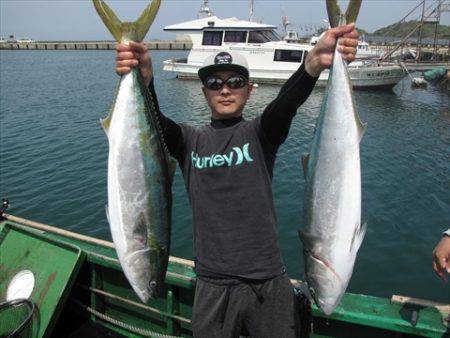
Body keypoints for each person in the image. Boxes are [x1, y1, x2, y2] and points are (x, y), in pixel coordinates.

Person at [115, 24, 358, 337]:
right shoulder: (189, 141)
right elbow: (154, 126)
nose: (225, 89)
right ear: (204, 92)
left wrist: (312, 63)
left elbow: (285, 105)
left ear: (249, 89)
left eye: (236, 81)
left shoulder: (260, 135)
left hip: (268, 283)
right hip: (212, 285)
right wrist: (145, 81)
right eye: (214, 82)